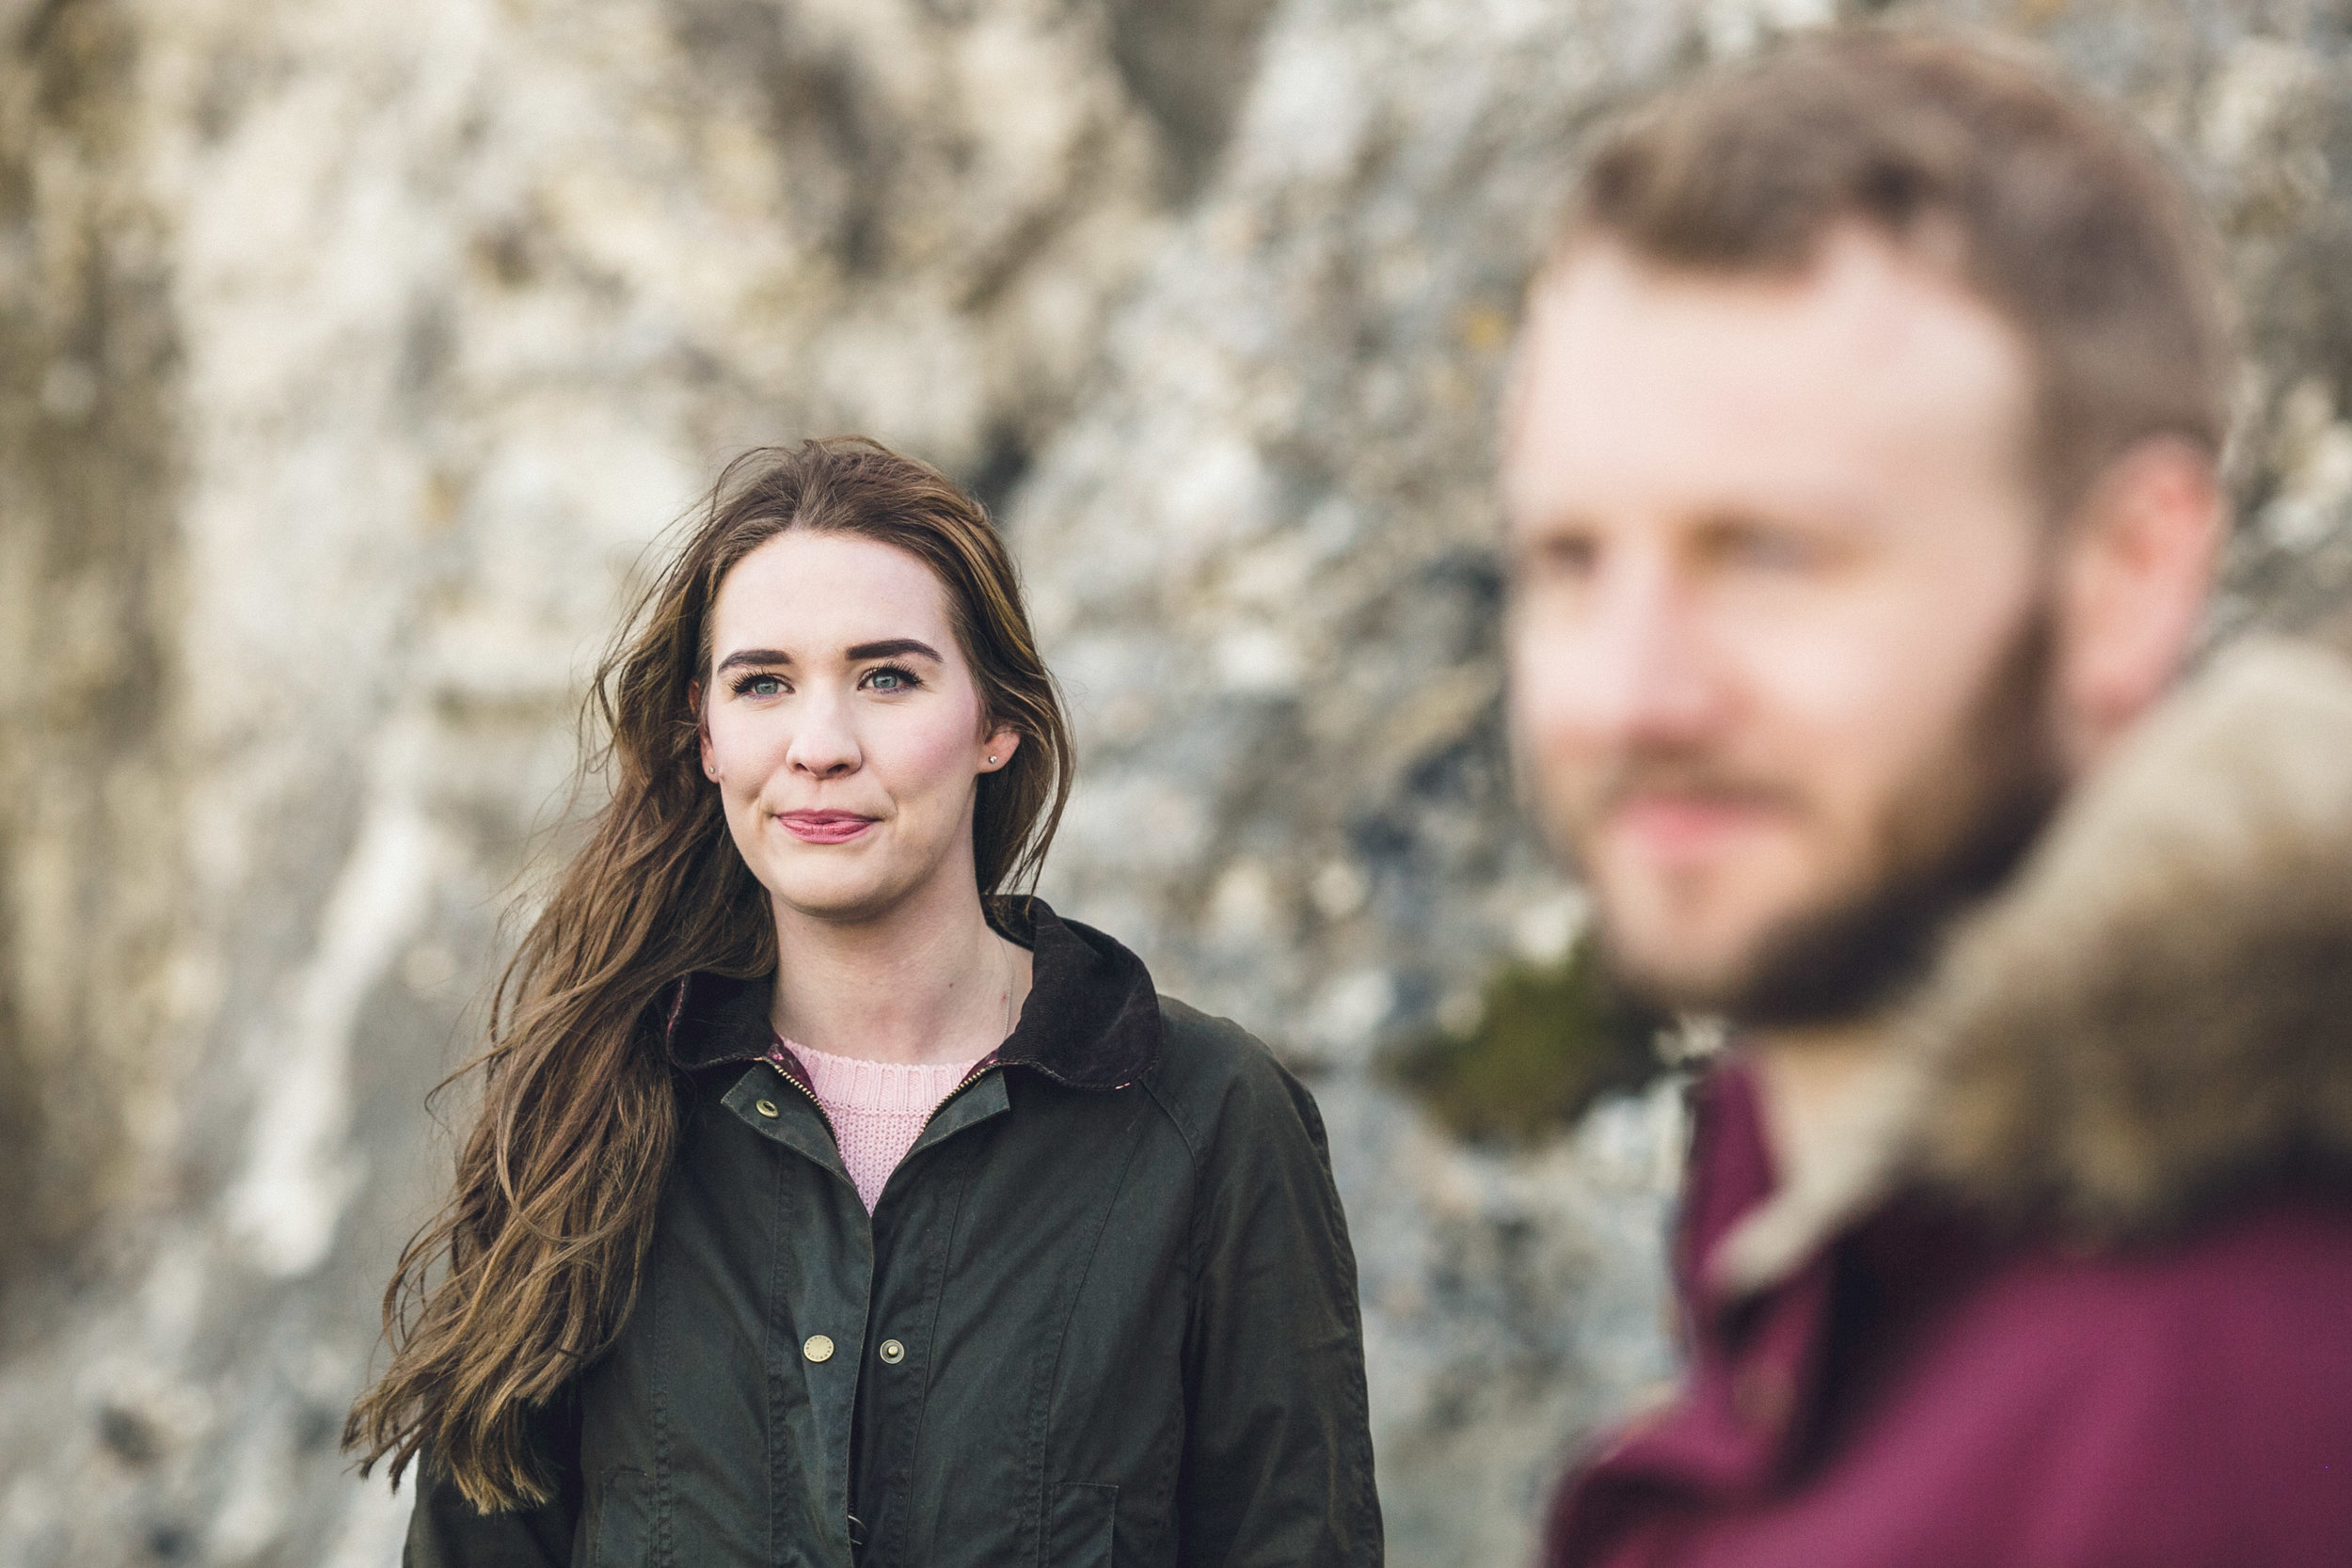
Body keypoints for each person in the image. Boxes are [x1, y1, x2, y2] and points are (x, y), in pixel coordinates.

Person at [1502, 29, 2352, 1567]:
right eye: (1569, 561)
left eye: (1768, 553)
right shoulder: (1816, 1307)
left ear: (2125, 574)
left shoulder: (2248, 1402)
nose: (1631, 693)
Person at [347, 437, 1383, 1567]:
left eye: (887, 676)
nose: (820, 746)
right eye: (763, 683)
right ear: (706, 733)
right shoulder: (588, 1111)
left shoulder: (1210, 1118)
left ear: (997, 722)